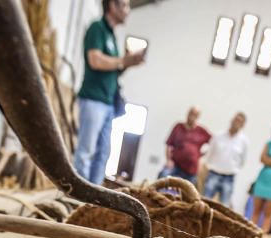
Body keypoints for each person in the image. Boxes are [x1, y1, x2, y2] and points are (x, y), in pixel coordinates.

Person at [72, 0, 145, 185]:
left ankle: (93, 199)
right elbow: (95, 60)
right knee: (85, 150)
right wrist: (122, 60)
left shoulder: (112, 36)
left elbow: (114, 68)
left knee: (103, 152)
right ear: (113, 6)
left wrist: (127, 63)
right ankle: (77, 197)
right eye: (125, 5)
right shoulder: (97, 28)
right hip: (93, 99)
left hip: (108, 102)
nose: (128, 11)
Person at [203, 112, 249, 205]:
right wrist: (208, 167)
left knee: (224, 206)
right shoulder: (218, 136)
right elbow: (209, 153)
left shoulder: (244, 141)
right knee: (205, 202)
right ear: (231, 120)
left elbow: (242, 161)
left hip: (229, 177)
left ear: (243, 125)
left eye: (240, 121)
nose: (236, 123)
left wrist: (233, 169)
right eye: (236, 120)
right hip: (213, 174)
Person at [160, 107, 212, 182]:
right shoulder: (178, 126)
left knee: (189, 191)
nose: (192, 116)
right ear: (187, 113)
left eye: (195, 115)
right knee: (163, 175)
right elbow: (169, 144)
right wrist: (169, 160)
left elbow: (214, 143)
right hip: (175, 165)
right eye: (191, 113)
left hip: (191, 170)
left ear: (198, 117)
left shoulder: (201, 131)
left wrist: (201, 155)